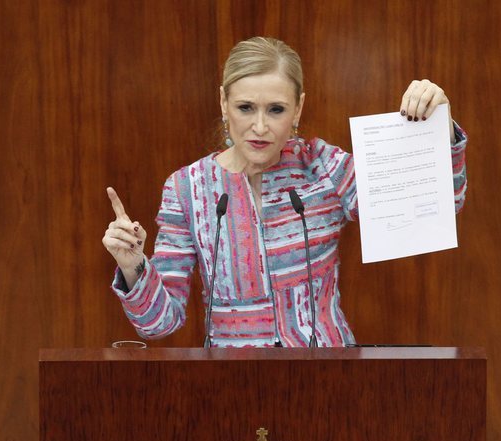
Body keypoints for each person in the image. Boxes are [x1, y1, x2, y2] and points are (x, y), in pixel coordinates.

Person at [103, 36, 467, 347]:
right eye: (246, 107)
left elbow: (440, 208)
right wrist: (133, 264)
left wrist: (439, 126)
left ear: (298, 109)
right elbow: (159, 323)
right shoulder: (186, 189)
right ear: (223, 103)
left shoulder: (323, 166)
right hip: (231, 387)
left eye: (276, 109)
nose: (259, 126)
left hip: (326, 379)